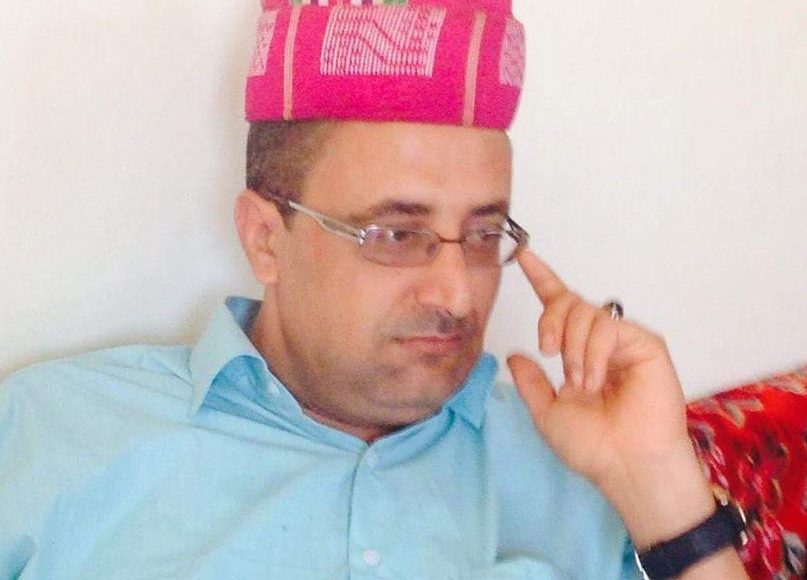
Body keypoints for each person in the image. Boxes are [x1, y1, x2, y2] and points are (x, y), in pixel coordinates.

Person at [0, 1, 750, 578]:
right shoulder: (47, 435)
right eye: (394, 234)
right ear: (265, 239)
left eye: (483, 234)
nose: (458, 295)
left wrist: (662, 490)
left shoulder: (578, 464)